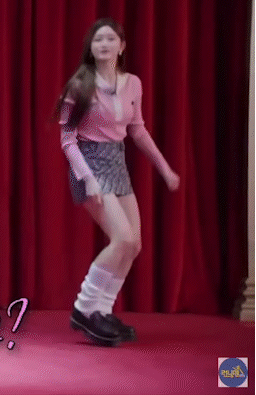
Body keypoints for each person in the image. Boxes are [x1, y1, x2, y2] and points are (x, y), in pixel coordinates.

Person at [55, 18, 180, 347]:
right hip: (89, 162)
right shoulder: (79, 85)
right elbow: (67, 140)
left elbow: (137, 129)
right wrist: (88, 178)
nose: (104, 45)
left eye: (111, 39)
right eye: (98, 40)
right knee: (121, 238)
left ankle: (103, 310)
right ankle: (84, 308)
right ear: (91, 47)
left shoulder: (133, 83)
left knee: (133, 244)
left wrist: (165, 169)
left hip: (117, 163)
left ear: (122, 47)